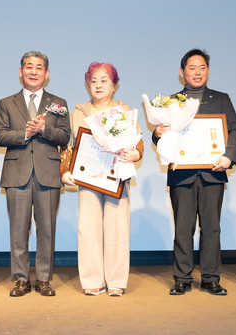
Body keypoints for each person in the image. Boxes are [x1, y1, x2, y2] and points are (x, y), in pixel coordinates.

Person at [152, 49, 236, 296]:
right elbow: (160, 137)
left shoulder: (221, 98)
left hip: (213, 172)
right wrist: (157, 133)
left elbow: (235, 129)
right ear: (182, 72)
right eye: (192, 68)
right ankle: (182, 278)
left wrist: (229, 156)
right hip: (182, 174)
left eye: (202, 67)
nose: (197, 72)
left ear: (208, 71)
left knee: (212, 228)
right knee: (183, 228)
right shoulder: (170, 101)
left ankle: (211, 278)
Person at [61, 62, 143, 297]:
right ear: (88, 84)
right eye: (93, 81)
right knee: (88, 228)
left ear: (114, 85)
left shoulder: (124, 110)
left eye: (104, 80)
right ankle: (93, 279)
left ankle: (116, 280)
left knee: (117, 228)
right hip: (88, 178)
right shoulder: (79, 112)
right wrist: (65, 169)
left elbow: (137, 141)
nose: (98, 85)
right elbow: (69, 145)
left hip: (116, 176)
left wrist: (136, 154)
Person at [0, 51, 71, 297]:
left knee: (47, 228)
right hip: (17, 173)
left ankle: (44, 279)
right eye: (29, 67)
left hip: (48, 172)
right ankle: (21, 279)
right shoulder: (6, 103)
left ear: (46, 74)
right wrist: (25, 134)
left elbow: (65, 137)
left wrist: (45, 129)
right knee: (18, 229)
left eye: (39, 67)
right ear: (21, 72)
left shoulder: (58, 103)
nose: (33, 72)